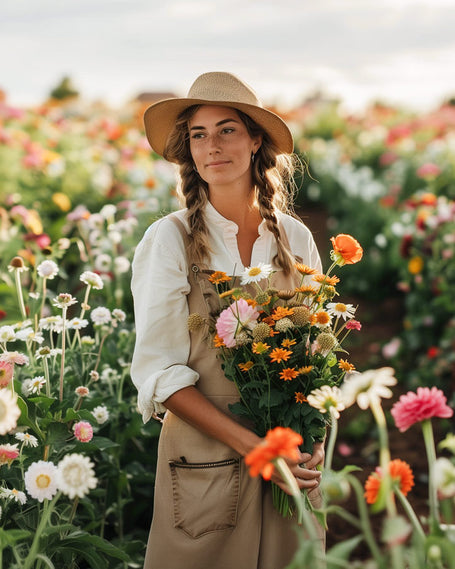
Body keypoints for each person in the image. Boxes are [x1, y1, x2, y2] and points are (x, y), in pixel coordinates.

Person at [130, 71, 325, 569]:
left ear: (256, 140)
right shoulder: (169, 239)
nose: (211, 146)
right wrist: (256, 449)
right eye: (198, 134)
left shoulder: (295, 239)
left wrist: (315, 440)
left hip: (288, 454)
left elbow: (318, 354)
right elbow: (159, 372)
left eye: (227, 130)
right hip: (205, 456)